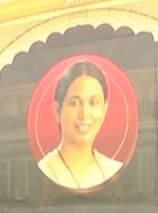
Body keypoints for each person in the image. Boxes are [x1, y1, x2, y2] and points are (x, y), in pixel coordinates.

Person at [38, 61, 124, 191]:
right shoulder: (46, 170)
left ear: (104, 110)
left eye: (93, 102)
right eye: (74, 103)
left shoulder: (113, 170)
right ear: (57, 110)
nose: (84, 114)